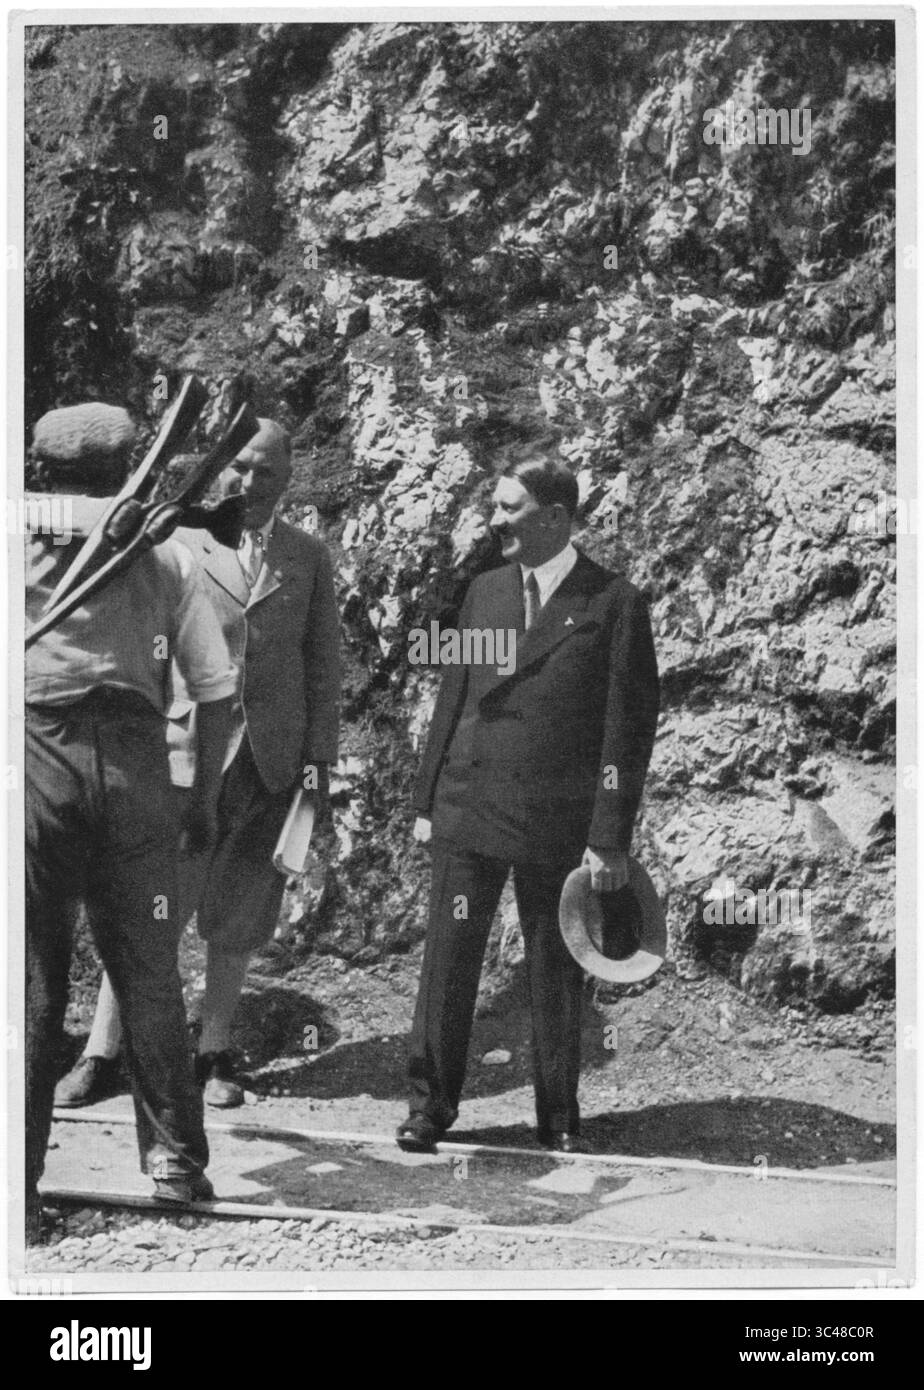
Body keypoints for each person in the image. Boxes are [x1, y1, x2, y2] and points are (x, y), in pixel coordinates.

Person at [55, 419, 341, 1110]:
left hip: (269, 760)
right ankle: (103, 1053)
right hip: (183, 753)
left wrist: (317, 763)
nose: (249, 481)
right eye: (239, 466)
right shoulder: (174, 545)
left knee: (239, 914)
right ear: (220, 470)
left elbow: (323, 664)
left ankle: (214, 1052)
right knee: (147, 910)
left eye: (266, 470)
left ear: (288, 478)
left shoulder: (305, 556)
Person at [397, 440, 660, 1154]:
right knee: (449, 959)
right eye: (495, 507)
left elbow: (624, 734)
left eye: (508, 509)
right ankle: (429, 1106)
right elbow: (453, 698)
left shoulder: (612, 604)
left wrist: (608, 836)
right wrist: (426, 803)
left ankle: (558, 1115)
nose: (494, 522)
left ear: (555, 519)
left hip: (555, 818)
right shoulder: (484, 590)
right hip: (469, 803)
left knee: (554, 965)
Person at [25, 403, 237, 1241]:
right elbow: (215, 692)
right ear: (127, 471)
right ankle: (178, 1169)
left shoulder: (15, 534)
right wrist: (206, 799)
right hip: (140, 769)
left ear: (43, 469)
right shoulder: (169, 551)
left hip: (39, 762)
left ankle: (18, 1192)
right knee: (148, 970)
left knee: (34, 983)